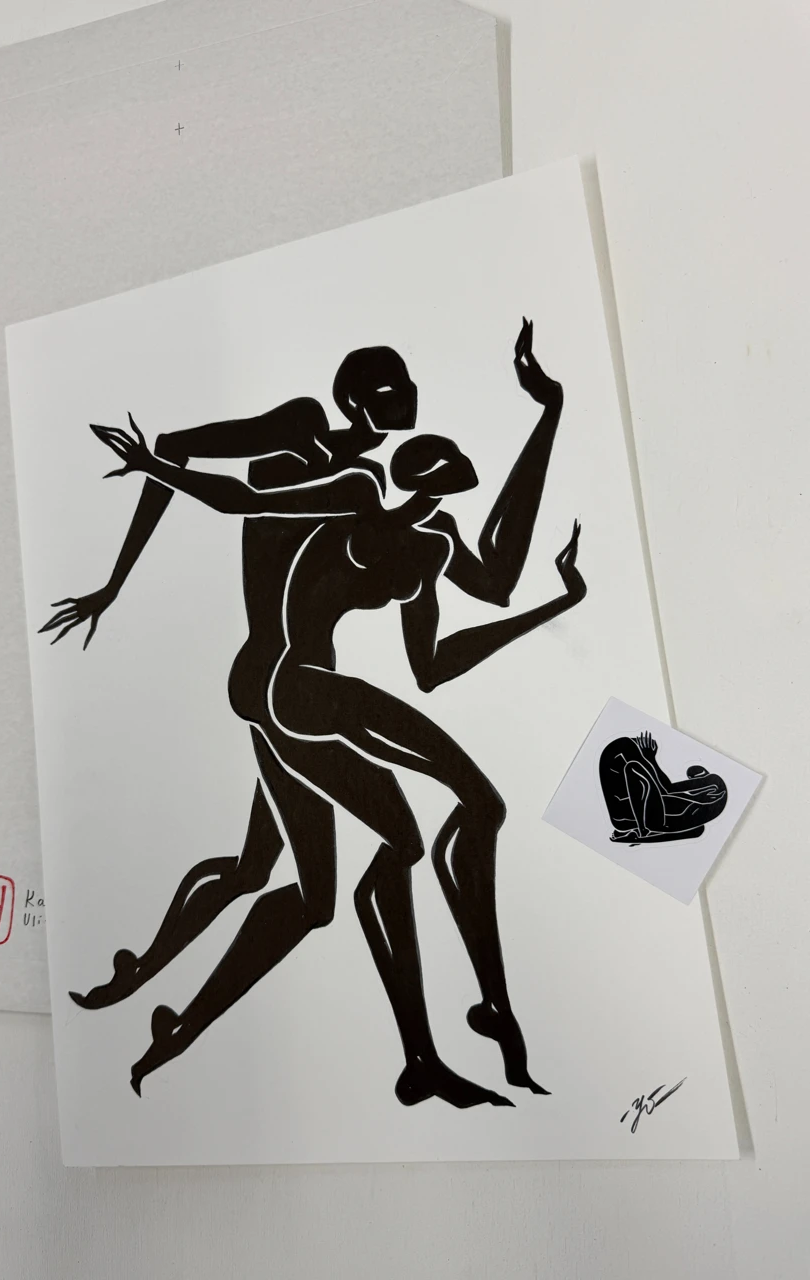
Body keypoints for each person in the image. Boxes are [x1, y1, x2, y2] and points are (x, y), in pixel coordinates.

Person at [87, 415, 586, 1105]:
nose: (432, 488)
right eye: (430, 473)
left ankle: (188, 1029)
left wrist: (557, 601)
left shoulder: (433, 547)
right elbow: (246, 500)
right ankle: (449, 1035)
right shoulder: (356, 491)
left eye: (444, 479)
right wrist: (155, 465)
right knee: (423, 829)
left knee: (321, 888)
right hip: (289, 689)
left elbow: (435, 663)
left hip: (310, 696)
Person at [599, 732, 728, 844]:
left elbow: (666, 789)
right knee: (627, 755)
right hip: (640, 820)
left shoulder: (713, 784)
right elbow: (667, 793)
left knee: (631, 765)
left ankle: (642, 830)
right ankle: (642, 829)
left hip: (644, 821)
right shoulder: (700, 806)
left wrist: (650, 758)